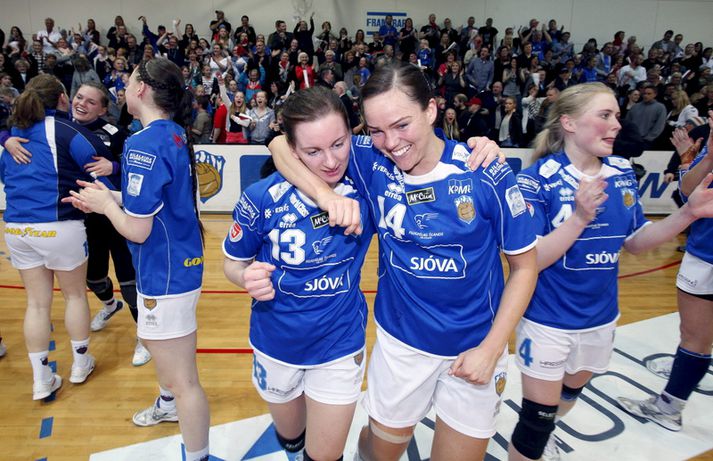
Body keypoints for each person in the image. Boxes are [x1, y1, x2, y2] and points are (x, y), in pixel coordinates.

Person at [270, 62, 538, 461]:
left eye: (401, 125)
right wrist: (325, 196)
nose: (391, 142)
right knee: (378, 453)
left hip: (475, 348)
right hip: (401, 346)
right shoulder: (369, 160)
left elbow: (525, 267)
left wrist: (492, 347)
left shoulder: (484, 171)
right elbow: (279, 146)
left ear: (430, 110)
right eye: (376, 130)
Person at [508, 84, 713, 461]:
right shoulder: (537, 180)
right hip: (547, 320)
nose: (617, 124)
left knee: (569, 394)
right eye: (605, 115)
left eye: (617, 115)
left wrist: (688, 213)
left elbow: (635, 242)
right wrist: (580, 218)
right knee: (536, 421)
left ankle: (549, 427)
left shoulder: (621, 172)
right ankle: (541, 433)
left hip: (601, 317)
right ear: (569, 122)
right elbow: (532, 260)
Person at [64, 58, 210, 461]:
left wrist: (107, 207)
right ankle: (166, 404)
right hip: (177, 265)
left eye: (128, 82)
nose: (122, 88)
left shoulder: (144, 143)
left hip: (165, 273)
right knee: (170, 363)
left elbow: (137, 229)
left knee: (185, 382)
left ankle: (196, 451)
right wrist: (107, 197)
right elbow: (153, 202)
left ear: (142, 89)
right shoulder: (171, 133)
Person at [224, 86, 375, 461]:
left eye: (339, 144)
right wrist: (245, 278)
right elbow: (233, 264)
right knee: (291, 438)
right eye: (313, 151)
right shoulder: (261, 197)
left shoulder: (368, 188)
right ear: (292, 150)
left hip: (340, 343)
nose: (331, 161)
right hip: (276, 342)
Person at [3, 81, 150, 366]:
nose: (82, 103)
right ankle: (110, 305)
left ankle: (143, 336)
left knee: (129, 281)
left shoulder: (116, 135)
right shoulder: (54, 129)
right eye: (79, 97)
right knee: (93, 279)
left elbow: (138, 172)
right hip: (83, 220)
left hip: (116, 217)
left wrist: (115, 166)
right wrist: (5, 139)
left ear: (103, 109)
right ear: (66, 99)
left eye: (91, 101)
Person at [0, 74, 114, 400]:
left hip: (17, 228)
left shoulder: (14, 136)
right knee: (75, 296)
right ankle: (80, 363)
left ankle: (41, 379)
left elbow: (5, 176)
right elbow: (97, 164)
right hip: (59, 224)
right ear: (62, 98)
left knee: (36, 304)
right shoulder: (66, 130)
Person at [617, 112, 713, 433]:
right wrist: (703, 157)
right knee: (696, 336)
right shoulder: (708, 141)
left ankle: (669, 408)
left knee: (695, 338)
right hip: (704, 248)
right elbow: (687, 193)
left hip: (707, 252)